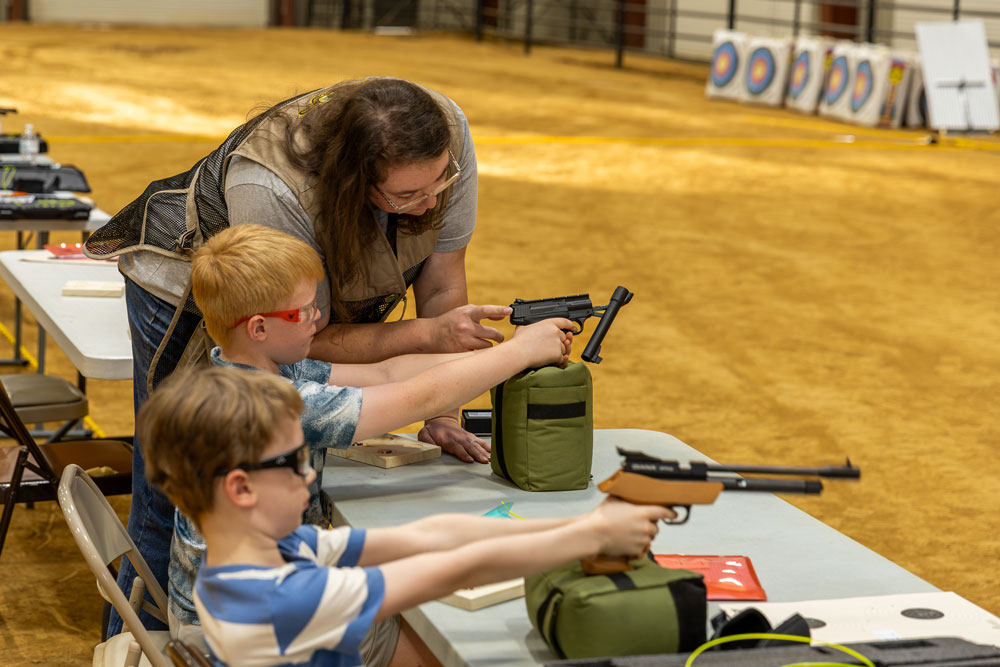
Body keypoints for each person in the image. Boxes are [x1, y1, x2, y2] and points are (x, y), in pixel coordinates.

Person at [84, 77, 502, 635]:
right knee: (169, 490)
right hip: (190, 288)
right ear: (355, 180)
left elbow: (400, 345)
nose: (430, 204)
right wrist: (513, 353)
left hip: (254, 606)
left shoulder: (438, 134)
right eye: (407, 197)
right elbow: (360, 359)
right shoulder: (288, 391)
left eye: (439, 182)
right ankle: (140, 639)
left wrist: (445, 412)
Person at [166, 223, 573, 647]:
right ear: (258, 328)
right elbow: (415, 398)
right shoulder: (274, 406)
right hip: (243, 631)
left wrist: (504, 347)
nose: (317, 318)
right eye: (301, 312)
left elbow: (387, 373)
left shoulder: (257, 367)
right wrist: (519, 353)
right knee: (431, 638)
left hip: (244, 603)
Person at [141, 366, 672, 667]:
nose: (310, 474)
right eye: (295, 461)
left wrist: (575, 528)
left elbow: (430, 536)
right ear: (241, 488)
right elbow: (456, 567)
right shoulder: (285, 601)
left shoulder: (267, 557)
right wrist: (595, 533)